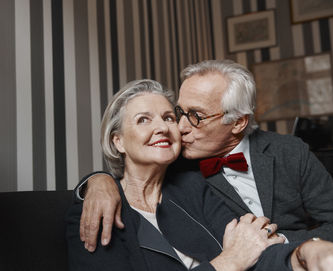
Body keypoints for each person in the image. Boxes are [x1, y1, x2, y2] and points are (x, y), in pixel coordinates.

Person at [66, 79, 293, 271]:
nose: (163, 128)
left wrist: (303, 254)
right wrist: (228, 262)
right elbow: (238, 255)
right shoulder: (95, 209)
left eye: (168, 118)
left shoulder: (192, 186)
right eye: (143, 119)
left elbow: (252, 244)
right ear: (118, 141)